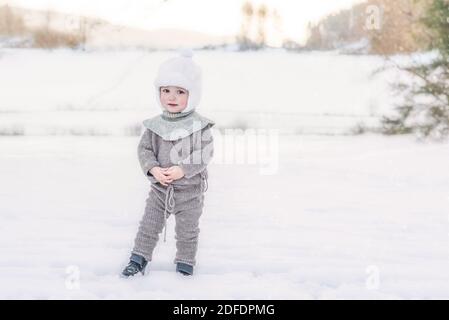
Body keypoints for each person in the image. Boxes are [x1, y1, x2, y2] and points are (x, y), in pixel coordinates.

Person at [121, 49, 215, 277]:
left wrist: (182, 169)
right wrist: (153, 168)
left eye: (180, 91)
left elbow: (205, 153)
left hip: (190, 192)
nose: (171, 97)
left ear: (192, 95)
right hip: (160, 190)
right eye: (166, 91)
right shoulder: (155, 126)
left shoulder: (199, 126)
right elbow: (144, 150)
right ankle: (138, 258)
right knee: (149, 226)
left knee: (187, 231)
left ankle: (185, 264)